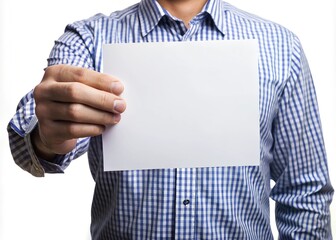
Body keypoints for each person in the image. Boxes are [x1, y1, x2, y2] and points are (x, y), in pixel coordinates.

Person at [7, 0, 334, 239]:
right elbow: (30, 133)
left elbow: (304, 192)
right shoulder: (89, 39)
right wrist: (46, 135)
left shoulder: (280, 46)